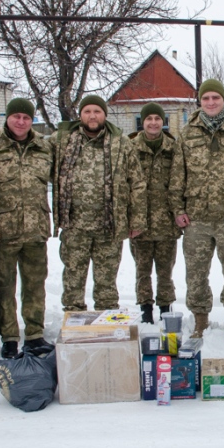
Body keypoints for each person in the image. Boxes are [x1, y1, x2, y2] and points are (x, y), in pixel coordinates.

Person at [169, 79, 224, 338]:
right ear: (200, 101)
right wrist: (178, 209)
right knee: (196, 274)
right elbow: (177, 174)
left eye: (216, 97)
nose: (211, 102)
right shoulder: (187, 133)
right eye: (206, 98)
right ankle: (200, 320)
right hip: (197, 217)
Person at [50, 94, 146, 312]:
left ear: (105, 114)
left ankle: (106, 319)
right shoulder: (63, 141)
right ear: (80, 115)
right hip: (75, 225)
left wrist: (137, 219)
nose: (92, 116)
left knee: (107, 281)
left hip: (109, 225)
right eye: (87, 111)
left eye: (97, 111)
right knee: (73, 276)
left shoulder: (121, 143)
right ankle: (73, 318)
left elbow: (137, 182)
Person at [0, 98, 53, 359]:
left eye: (26, 117)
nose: (21, 122)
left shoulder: (44, 147)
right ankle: (9, 338)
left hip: (36, 229)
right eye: (16, 117)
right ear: (7, 118)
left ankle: (34, 335)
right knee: (4, 286)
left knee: (35, 285)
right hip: (4, 231)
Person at [128, 102, 181, 324]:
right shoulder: (130, 147)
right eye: (148, 119)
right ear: (142, 122)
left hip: (166, 222)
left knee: (165, 271)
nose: (153, 123)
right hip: (139, 222)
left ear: (163, 121)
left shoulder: (173, 147)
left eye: (157, 118)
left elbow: (180, 181)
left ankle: (165, 308)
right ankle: (146, 310)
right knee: (142, 270)